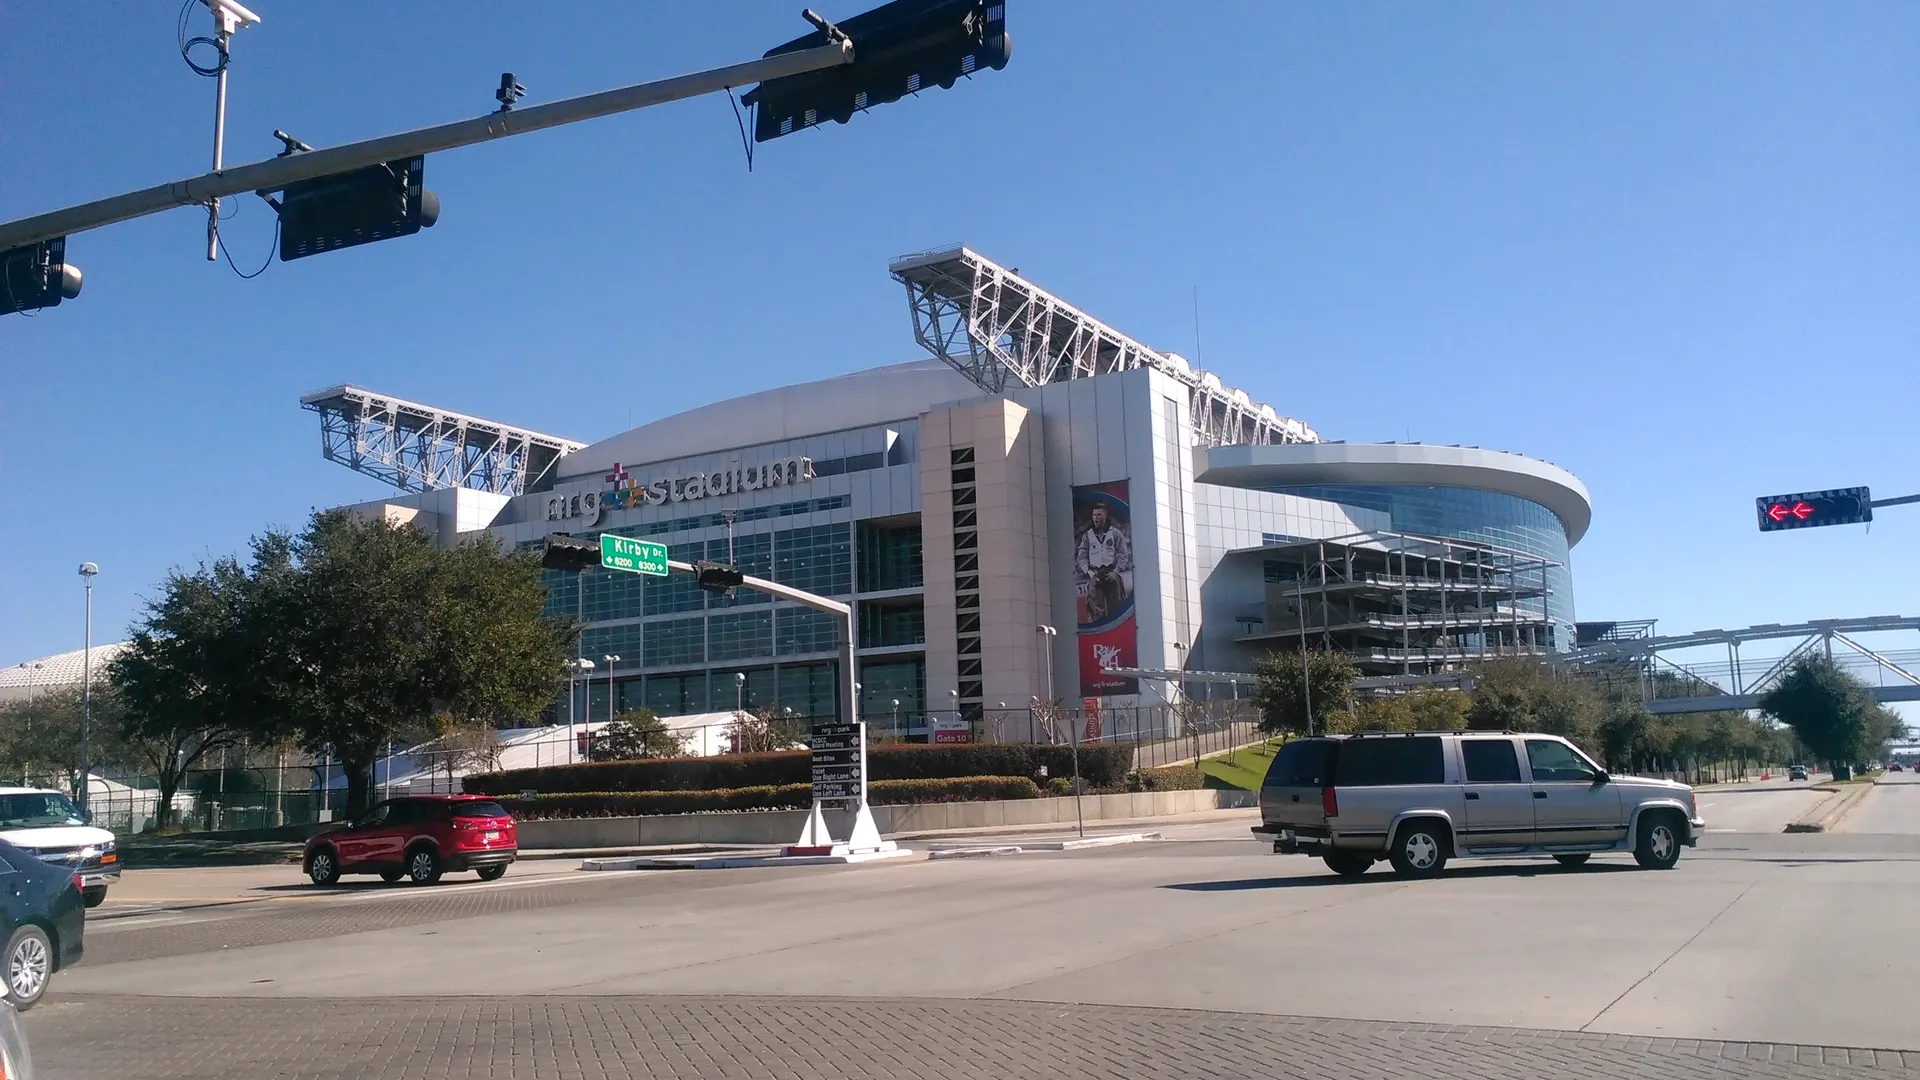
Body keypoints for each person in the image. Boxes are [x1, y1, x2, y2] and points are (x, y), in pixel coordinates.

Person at [1074, 503, 1134, 624]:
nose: (1096, 517)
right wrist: (1088, 572)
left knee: (1116, 607)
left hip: (1111, 572)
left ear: (1105, 516)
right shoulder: (1088, 536)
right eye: (1094, 515)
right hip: (1095, 573)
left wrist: (1116, 571)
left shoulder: (1115, 533)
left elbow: (1123, 554)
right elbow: (1082, 556)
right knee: (1096, 609)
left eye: (1099, 515)